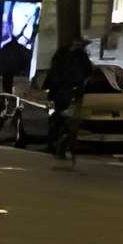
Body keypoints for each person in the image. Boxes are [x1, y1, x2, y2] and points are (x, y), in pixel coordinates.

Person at [42, 35, 95, 168]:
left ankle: (54, 143)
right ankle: (61, 144)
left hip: (59, 91)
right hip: (70, 91)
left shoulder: (61, 54)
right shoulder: (80, 57)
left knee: (58, 117)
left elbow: (53, 71)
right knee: (68, 120)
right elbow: (87, 72)